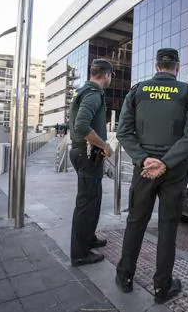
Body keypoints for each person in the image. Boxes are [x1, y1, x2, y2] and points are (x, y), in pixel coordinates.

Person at [115, 48, 188, 304]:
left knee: (136, 222)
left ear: (156, 66)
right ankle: (162, 287)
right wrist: (166, 163)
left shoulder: (138, 91)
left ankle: (125, 277)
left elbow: (124, 132)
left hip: (144, 170)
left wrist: (144, 159)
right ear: (177, 67)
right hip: (174, 171)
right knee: (167, 228)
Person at [68, 58, 115, 267]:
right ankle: (79, 253)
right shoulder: (93, 94)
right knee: (86, 204)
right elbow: (81, 125)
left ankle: (88, 239)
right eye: (111, 75)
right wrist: (104, 145)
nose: (110, 79)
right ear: (106, 74)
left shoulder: (83, 91)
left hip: (86, 154)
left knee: (93, 199)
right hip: (87, 154)